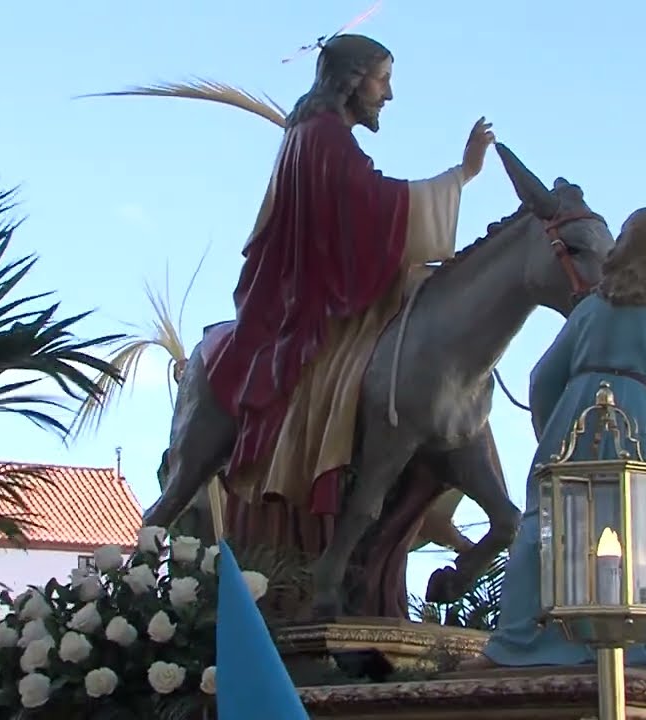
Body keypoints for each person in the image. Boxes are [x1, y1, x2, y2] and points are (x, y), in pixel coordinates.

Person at [203, 34, 496, 592]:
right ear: (351, 79)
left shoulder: (311, 135)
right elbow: (370, 210)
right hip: (318, 304)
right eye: (382, 79)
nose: (388, 94)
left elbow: (364, 212)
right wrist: (461, 177)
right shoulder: (324, 139)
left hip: (324, 289)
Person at [473, 207, 646, 675]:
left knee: (548, 527)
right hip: (639, 422)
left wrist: (555, 436)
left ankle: (518, 644)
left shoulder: (592, 309)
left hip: (573, 420)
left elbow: (541, 378)